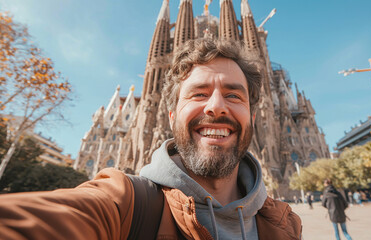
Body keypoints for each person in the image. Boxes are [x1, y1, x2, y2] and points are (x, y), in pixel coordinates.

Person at [0, 38, 302, 239]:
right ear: (170, 114)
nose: (216, 106)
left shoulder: (285, 225)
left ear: (254, 114)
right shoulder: (126, 205)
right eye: (198, 93)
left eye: (234, 95)